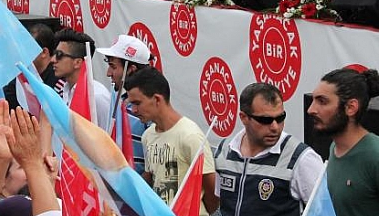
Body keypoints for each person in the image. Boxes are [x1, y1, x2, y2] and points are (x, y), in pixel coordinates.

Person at [215, 83, 323, 215]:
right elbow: (220, 203)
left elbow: (323, 211)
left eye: (280, 118)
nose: (275, 127)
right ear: (244, 117)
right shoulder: (225, 150)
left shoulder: (302, 159)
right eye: (265, 120)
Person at [124, 67, 218, 215]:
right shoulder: (148, 135)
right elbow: (151, 178)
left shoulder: (190, 135)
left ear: (156, 99)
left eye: (137, 103)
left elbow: (212, 190)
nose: (133, 110)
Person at [307, 68, 379, 216]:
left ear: (351, 107)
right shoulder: (334, 148)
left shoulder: (375, 155)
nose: (311, 109)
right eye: (313, 100)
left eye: (322, 101)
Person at [96, 34, 152, 174]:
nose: (109, 73)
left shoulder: (150, 109)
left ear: (131, 69)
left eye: (113, 67)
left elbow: (152, 168)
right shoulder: (118, 101)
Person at [52, 28, 111, 129]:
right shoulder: (65, 90)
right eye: (54, 53)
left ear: (78, 62)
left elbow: (108, 136)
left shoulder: (97, 96)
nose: (53, 60)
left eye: (59, 55)